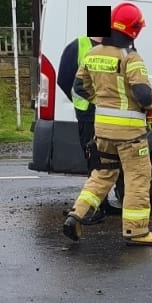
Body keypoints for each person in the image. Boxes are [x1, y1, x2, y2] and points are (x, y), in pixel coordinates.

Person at [62, 2, 152, 246]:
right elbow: (143, 95)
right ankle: (137, 232)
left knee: (102, 174)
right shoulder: (130, 57)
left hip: (102, 131)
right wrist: (151, 106)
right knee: (137, 179)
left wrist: (101, 101)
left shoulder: (92, 54)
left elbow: (78, 87)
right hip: (130, 135)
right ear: (135, 30)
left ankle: (77, 214)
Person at [56, 29, 119, 220]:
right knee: (95, 159)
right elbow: (65, 79)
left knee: (110, 159)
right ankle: (94, 208)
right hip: (89, 115)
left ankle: (105, 204)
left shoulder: (115, 46)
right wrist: (82, 101)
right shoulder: (78, 46)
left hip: (111, 115)